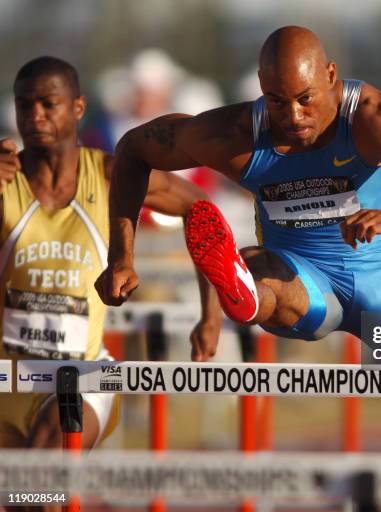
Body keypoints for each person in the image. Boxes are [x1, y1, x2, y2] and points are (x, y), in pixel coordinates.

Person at [96, 27, 381, 462]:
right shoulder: (235, 134)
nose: (293, 116)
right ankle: (244, 294)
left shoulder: (376, 116)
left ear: (331, 76)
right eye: (277, 102)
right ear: (260, 88)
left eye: (305, 99)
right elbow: (134, 151)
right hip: (302, 279)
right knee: (258, 271)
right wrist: (122, 255)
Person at [0, 56, 222, 455]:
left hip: (81, 377)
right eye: (24, 105)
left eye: (48, 104)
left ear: (78, 108)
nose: (34, 116)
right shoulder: (4, 180)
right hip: (7, 381)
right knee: (24, 498)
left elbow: (200, 208)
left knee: (45, 468)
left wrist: (211, 312)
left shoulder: (108, 175)